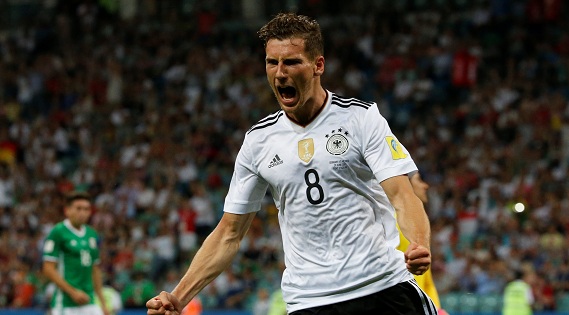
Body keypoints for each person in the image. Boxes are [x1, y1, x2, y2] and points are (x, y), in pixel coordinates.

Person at [147, 12, 435, 315]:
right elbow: (229, 233)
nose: (280, 73)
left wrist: (418, 244)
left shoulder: (361, 119)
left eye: (292, 62)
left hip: (383, 288)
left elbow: (403, 196)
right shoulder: (258, 142)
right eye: (272, 63)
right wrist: (179, 297)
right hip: (310, 301)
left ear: (318, 66)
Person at [42, 191, 109, 315]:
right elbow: (48, 269)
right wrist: (73, 292)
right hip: (65, 304)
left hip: (89, 301)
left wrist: (103, 304)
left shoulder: (92, 234)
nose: (82, 213)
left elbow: (95, 269)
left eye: (86, 209)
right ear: (67, 210)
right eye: (78, 208)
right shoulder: (58, 232)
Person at [398, 172, 448, 315]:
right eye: (419, 180)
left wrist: (437, 310)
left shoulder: (418, 226)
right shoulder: (393, 224)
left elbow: (426, 280)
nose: (425, 185)